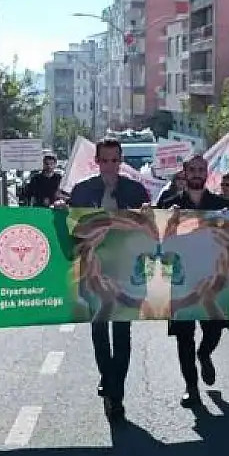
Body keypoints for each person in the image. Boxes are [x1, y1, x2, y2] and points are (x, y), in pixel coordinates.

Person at [56, 137, 150, 421]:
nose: (110, 166)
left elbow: (149, 236)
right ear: (96, 161)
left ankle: (115, 393)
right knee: (99, 333)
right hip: (93, 273)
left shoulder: (136, 190)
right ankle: (106, 378)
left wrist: (149, 217)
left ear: (121, 161)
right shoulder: (82, 191)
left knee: (122, 334)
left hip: (126, 275)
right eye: (105, 160)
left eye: (115, 160)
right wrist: (60, 217)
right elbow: (72, 237)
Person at [159, 155, 229, 407]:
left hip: (214, 280)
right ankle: (191, 387)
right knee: (184, 337)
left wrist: (227, 223)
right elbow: (159, 247)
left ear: (207, 173)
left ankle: (205, 354)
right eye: (192, 169)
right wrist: (167, 222)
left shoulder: (221, 205)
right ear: (184, 172)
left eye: (201, 169)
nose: (197, 173)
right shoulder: (170, 205)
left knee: (214, 329)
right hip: (181, 281)